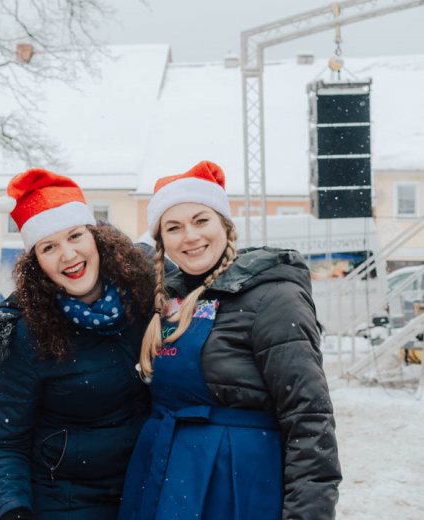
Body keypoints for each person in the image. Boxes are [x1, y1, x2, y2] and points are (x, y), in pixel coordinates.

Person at [119, 161, 341, 520]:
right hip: (163, 479)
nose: (190, 236)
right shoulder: (166, 301)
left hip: (240, 486)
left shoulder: (273, 296)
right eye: (173, 227)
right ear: (162, 243)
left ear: (225, 224)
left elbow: (309, 418)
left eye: (201, 220)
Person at [0, 169, 154, 520]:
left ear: (96, 238)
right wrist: (14, 510)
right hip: (68, 502)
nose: (68, 254)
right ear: (37, 264)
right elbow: (4, 441)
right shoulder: (24, 337)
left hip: (148, 488)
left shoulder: (146, 296)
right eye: (49, 246)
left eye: (75, 236)